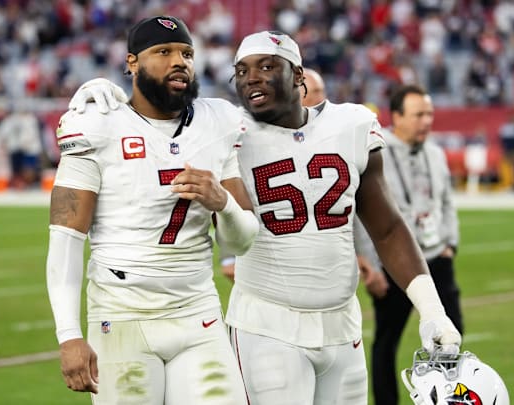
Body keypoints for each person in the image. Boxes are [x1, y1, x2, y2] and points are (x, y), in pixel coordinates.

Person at [72, 30, 461, 405]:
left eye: (266, 66)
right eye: (241, 71)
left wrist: (432, 310)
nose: (251, 78)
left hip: (344, 327)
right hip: (267, 327)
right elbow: (161, 112)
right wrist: (113, 100)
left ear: (298, 75)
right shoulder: (226, 127)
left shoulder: (353, 125)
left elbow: (388, 228)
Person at [46, 16, 259, 405]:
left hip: (198, 312)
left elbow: (242, 241)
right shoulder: (95, 124)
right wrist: (68, 335)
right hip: (122, 318)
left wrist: (222, 203)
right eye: (164, 52)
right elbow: (65, 239)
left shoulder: (220, 122)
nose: (180, 61)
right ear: (132, 63)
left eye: (187, 53)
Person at [355, 84, 464, 405]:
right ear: (397, 117)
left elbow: (446, 202)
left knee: (452, 335)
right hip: (394, 260)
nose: (426, 121)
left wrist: (450, 245)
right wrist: (370, 264)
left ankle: (446, 399)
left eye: (429, 114)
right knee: (387, 342)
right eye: (418, 114)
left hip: (435, 255)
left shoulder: (435, 151)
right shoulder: (376, 150)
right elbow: (363, 213)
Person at [217, 66, 328, 283]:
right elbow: (233, 191)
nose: (320, 98)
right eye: (313, 91)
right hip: (265, 252)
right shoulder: (255, 134)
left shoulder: (327, 137)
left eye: (321, 91)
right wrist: (229, 257)